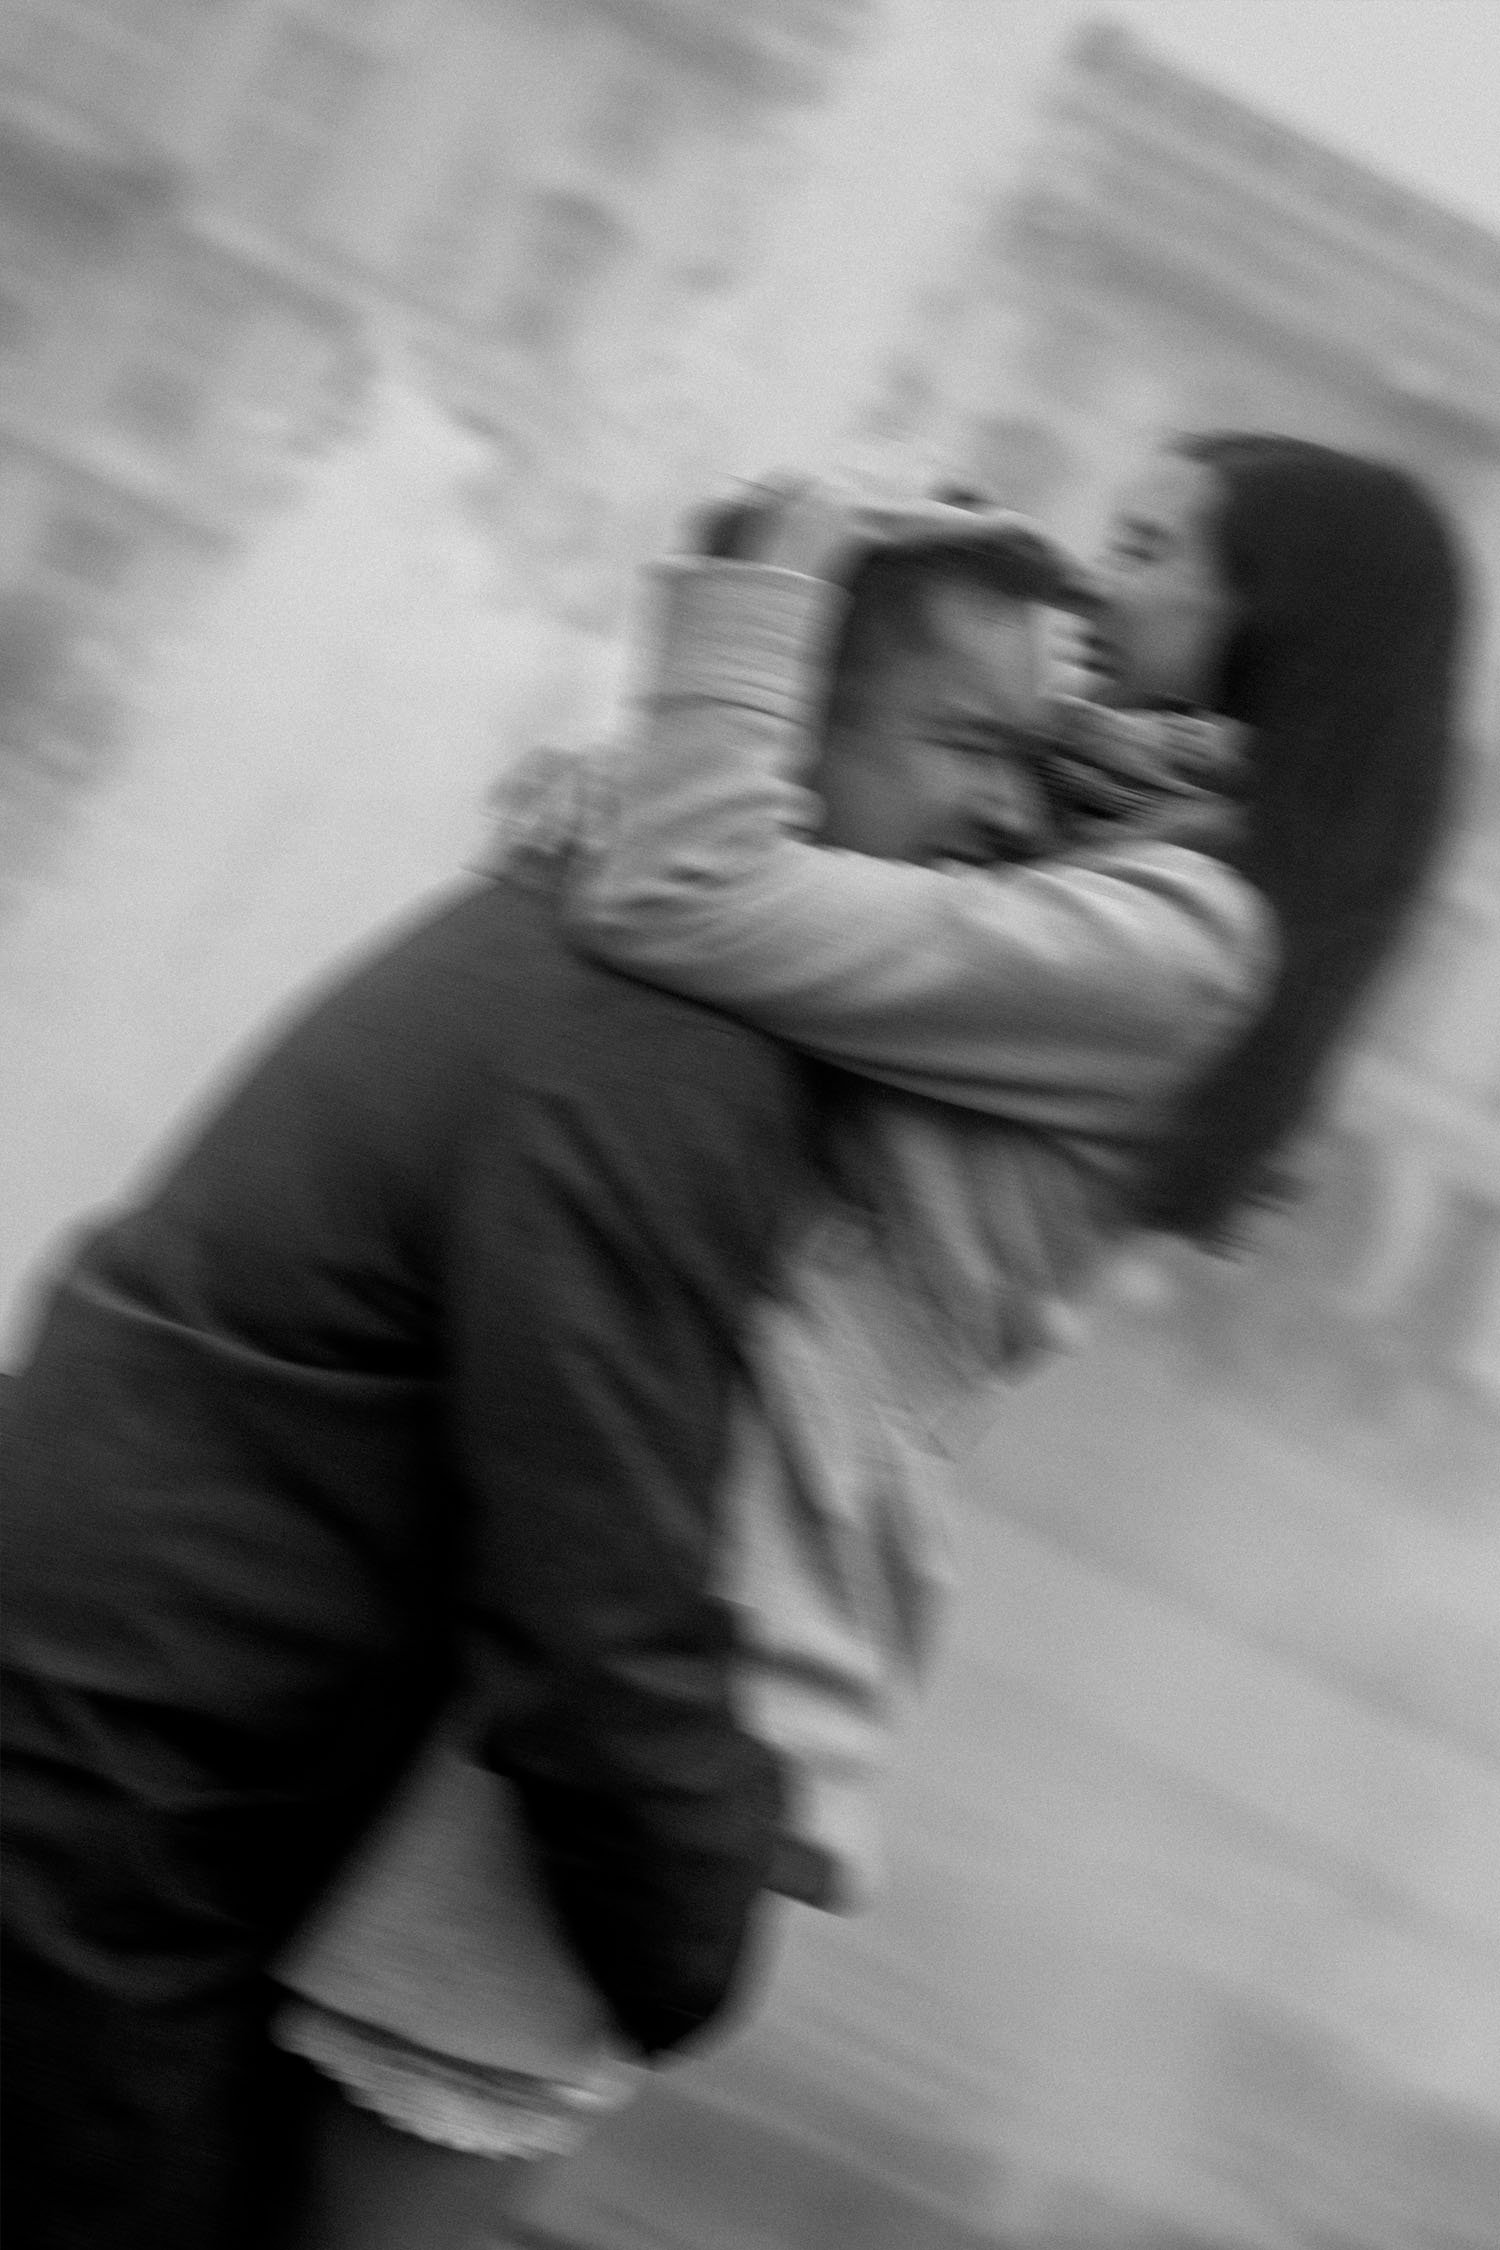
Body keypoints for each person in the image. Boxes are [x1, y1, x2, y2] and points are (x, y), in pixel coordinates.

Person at [271, 435, 1466, 2245]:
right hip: (627, 1551)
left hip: (691, 1609)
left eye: (1149, 551)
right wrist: (629, 770)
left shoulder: (1169, 942)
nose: (1090, 574)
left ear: (1262, 633)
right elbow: (734, 872)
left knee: (382, 2167)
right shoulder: (1115, 861)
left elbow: (694, 898)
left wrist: (777, 576)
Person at [0, 498, 1102, 2250]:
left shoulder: (616, 952)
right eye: (964, 741)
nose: (1002, 816)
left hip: (122, 1761)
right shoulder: (664, 1051)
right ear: (783, 729)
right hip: (100, 1819)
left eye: (1033, 771)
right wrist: (694, 1925)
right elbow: (597, 1590)